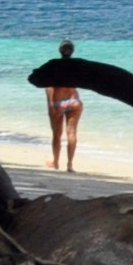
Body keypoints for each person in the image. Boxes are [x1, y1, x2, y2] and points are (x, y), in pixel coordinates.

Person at [46, 39, 83, 173]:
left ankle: (56, 162)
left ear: (60, 51)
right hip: (74, 101)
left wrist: (51, 105)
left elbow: (49, 87)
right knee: (72, 132)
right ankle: (70, 165)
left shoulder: (54, 66)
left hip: (58, 102)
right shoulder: (77, 67)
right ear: (72, 51)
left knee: (57, 134)